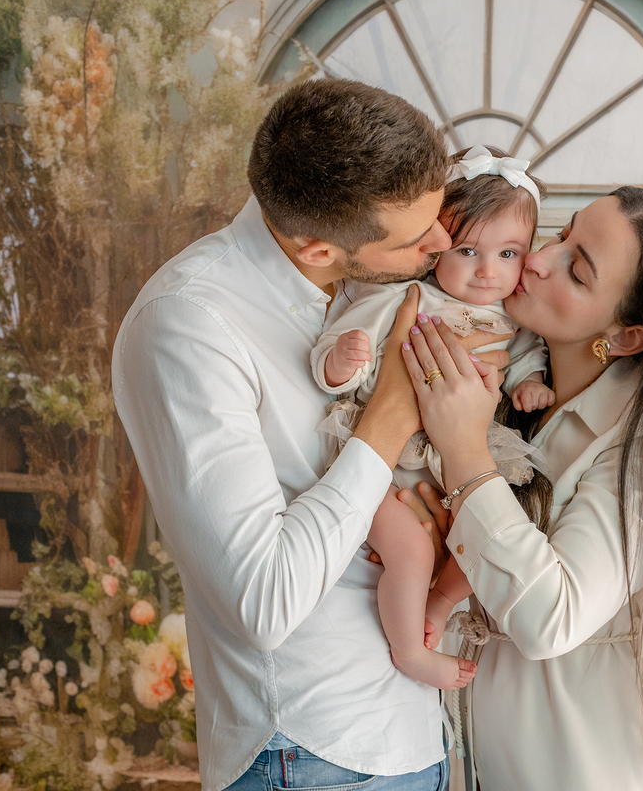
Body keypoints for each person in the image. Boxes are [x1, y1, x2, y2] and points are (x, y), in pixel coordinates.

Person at [112, 78, 504, 791]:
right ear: (318, 248)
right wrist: (386, 421)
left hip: (416, 729)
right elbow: (262, 602)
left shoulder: (368, 294)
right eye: (418, 238)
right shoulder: (191, 325)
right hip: (313, 751)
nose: (445, 241)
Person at [400, 187, 643, 790]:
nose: (537, 259)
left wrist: (464, 453)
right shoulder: (510, 387)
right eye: (561, 235)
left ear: (624, 337)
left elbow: (550, 616)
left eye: (577, 269)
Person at [310, 145, 552, 690]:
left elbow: (524, 359)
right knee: (412, 550)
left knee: (491, 540)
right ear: (435, 245)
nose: (489, 272)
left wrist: (529, 383)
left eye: (509, 254)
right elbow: (337, 348)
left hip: (454, 466)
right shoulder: (407, 298)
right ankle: (411, 653)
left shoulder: (515, 318)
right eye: (468, 251)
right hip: (384, 468)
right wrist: (340, 362)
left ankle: (437, 607)